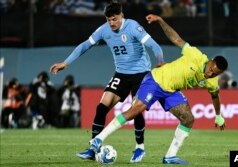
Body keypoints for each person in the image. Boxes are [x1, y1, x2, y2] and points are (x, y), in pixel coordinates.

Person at [88, 14, 228, 164]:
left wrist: (218, 116)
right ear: (210, 61)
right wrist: (161, 20)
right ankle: (98, 139)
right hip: (156, 80)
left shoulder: (212, 80)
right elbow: (176, 39)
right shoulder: (196, 55)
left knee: (188, 119)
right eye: (211, 69)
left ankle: (170, 156)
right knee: (136, 110)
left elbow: (215, 95)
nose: (211, 74)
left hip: (170, 90)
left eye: (215, 73)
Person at [49, 1, 164, 163]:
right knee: (102, 107)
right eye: (108, 20)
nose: (111, 23)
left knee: (136, 110)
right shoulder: (104, 30)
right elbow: (85, 45)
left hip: (141, 74)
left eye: (114, 19)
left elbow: (155, 46)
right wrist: (65, 63)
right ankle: (93, 148)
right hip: (121, 74)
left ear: (122, 16)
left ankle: (139, 148)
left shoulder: (133, 27)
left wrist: (160, 62)